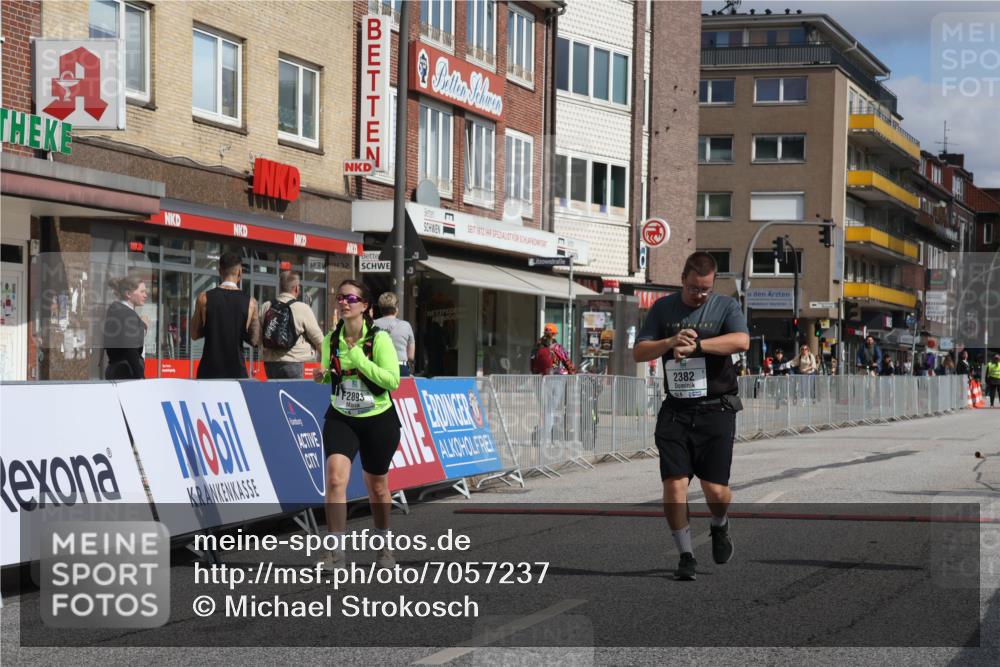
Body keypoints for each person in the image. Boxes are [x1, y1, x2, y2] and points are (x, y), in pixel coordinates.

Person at [633, 252, 750, 581]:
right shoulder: (663, 308)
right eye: (693, 288)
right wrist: (669, 341)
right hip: (677, 409)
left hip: (717, 407)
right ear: (682, 279)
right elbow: (639, 351)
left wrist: (699, 346)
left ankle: (719, 524)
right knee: (674, 485)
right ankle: (686, 555)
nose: (699, 294)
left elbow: (742, 341)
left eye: (705, 290)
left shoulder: (725, 307)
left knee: (716, 491)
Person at [313, 280, 401, 569]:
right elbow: (331, 372)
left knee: (377, 487)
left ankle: (384, 546)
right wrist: (322, 375)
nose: (343, 302)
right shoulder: (330, 339)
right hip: (342, 415)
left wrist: (360, 360)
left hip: (378, 418)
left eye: (350, 298)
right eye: (340, 297)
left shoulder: (379, 340)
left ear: (365, 306)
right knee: (336, 479)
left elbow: (393, 381)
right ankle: (336, 553)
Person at [191, 251, 261, 378]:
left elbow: (194, 334)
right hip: (236, 373)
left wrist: (210, 329)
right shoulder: (251, 303)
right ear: (240, 272)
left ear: (219, 271)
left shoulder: (203, 298)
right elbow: (255, 340)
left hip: (208, 371)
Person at [259, 271, 324, 379]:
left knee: (276, 395)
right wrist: (325, 364)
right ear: (296, 288)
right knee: (294, 395)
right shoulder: (302, 308)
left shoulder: (266, 306)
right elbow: (319, 340)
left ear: (280, 287)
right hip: (294, 363)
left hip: (270, 364)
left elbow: (259, 337)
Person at [103, 274, 149, 380]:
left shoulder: (118, 311)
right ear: (128, 294)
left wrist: (141, 326)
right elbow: (130, 347)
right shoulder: (127, 314)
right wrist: (139, 376)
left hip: (118, 369)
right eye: (142, 291)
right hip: (127, 371)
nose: (145, 295)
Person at [373, 292, 416, 377]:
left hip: (380, 367)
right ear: (396, 307)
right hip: (401, 367)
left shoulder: (373, 325)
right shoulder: (406, 325)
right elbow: (410, 356)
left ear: (380, 308)